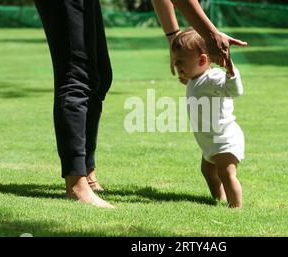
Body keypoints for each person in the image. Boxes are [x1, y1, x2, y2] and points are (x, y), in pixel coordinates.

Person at [34, 0, 246, 209]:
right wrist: (210, 33)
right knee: (77, 77)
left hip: (222, 141)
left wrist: (176, 41)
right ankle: (76, 185)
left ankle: (87, 174)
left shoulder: (209, 78)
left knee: (99, 76)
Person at [171, 28, 245, 208]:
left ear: (203, 60)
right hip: (210, 141)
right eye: (175, 61)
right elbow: (195, 88)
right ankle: (219, 199)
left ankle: (236, 207)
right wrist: (185, 75)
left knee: (226, 174)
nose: (176, 65)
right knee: (207, 170)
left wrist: (230, 71)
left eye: (180, 61)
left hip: (224, 139)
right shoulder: (195, 78)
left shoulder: (213, 77)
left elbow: (235, 91)